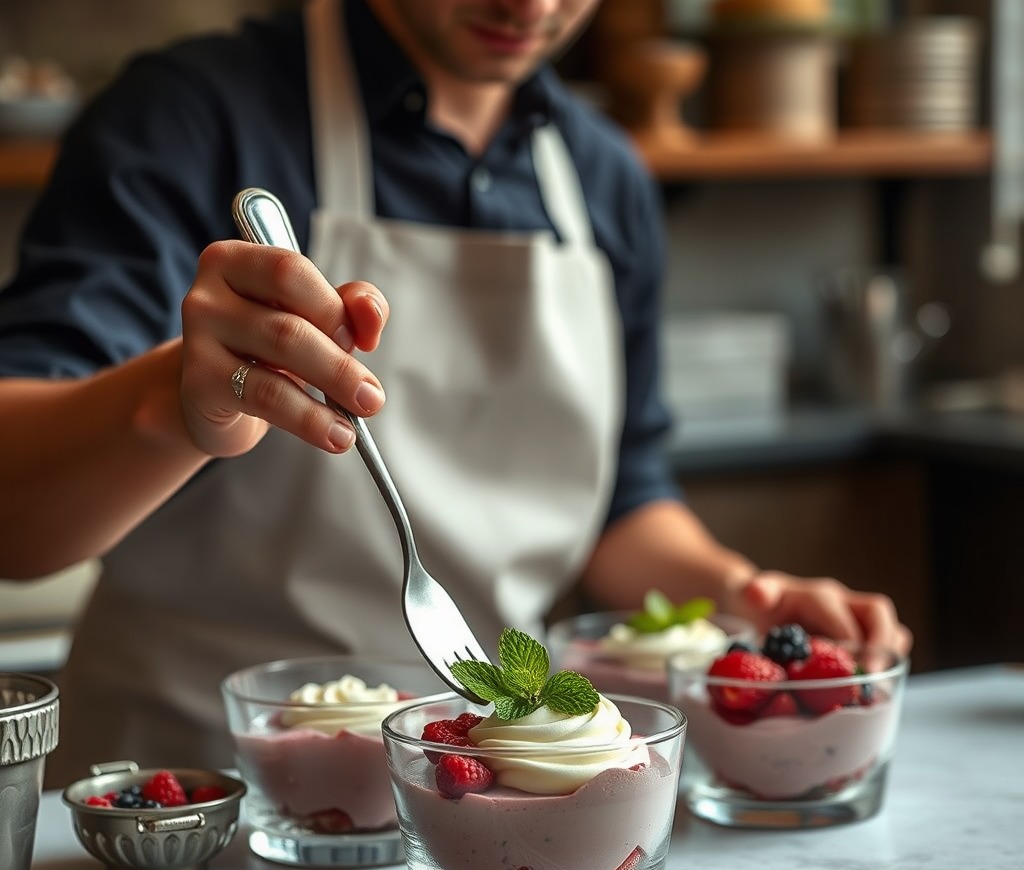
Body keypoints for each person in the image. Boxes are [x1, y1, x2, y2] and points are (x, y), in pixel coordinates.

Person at [0, 0, 910, 785]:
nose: (530, 5)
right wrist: (179, 405)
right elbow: (16, 520)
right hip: (196, 798)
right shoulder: (187, 117)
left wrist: (744, 592)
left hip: (489, 799)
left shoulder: (604, 178)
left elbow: (621, 503)